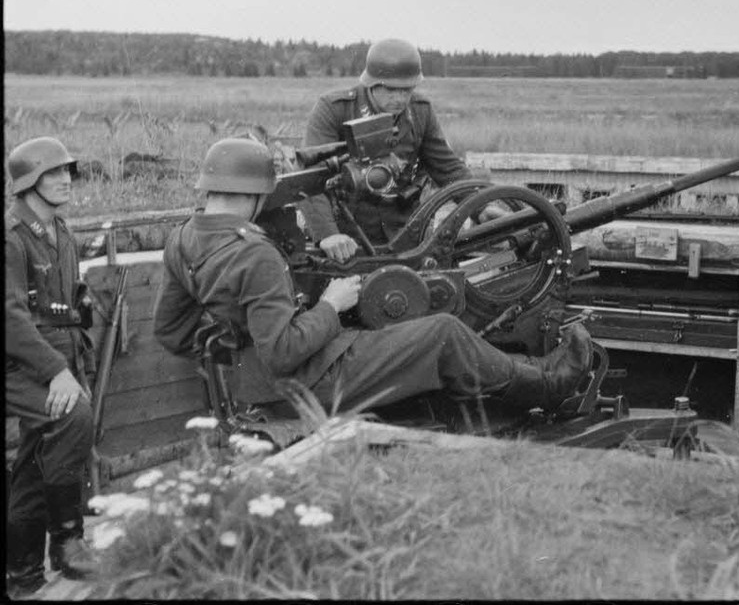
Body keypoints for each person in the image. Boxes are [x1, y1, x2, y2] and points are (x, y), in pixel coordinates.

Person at [153, 137, 592, 421]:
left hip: (258, 382)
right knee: (442, 333)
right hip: (309, 382)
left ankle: (528, 369)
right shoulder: (256, 255)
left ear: (211, 189)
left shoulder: (181, 240)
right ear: (256, 195)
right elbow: (284, 351)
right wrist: (332, 304)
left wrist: (237, 342)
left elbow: (171, 332)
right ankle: (548, 387)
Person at [301, 37, 498, 262]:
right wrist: (327, 234)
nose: (400, 98)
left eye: (407, 90)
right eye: (391, 90)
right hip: (346, 237)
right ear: (371, 84)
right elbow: (309, 177)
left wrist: (480, 205)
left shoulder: (420, 112)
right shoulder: (335, 109)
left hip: (404, 233)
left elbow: (446, 167)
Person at [6, 137, 99, 598]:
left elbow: (66, 301)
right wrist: (56, 372)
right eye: (53, 172)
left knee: (31, 461)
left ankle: (23, 574)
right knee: (72, 415)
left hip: (56, 355)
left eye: (68, 171)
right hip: (17, 363)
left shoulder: (60, 231)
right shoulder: (12, 237)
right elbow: (10, 316)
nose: (66, 179)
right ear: (28, 182)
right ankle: (68, 540)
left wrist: (83, 334)